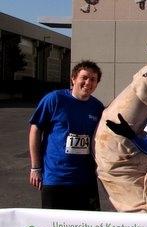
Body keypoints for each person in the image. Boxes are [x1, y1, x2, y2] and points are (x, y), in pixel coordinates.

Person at [29, 60, 104, 210]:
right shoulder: (55, 99)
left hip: (85, 180)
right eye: (84, 77)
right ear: (73, 78)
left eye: (93, 79)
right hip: (56, 178)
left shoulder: (97, 107)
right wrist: (35, 168)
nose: (88, 83)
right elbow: (35, 130)